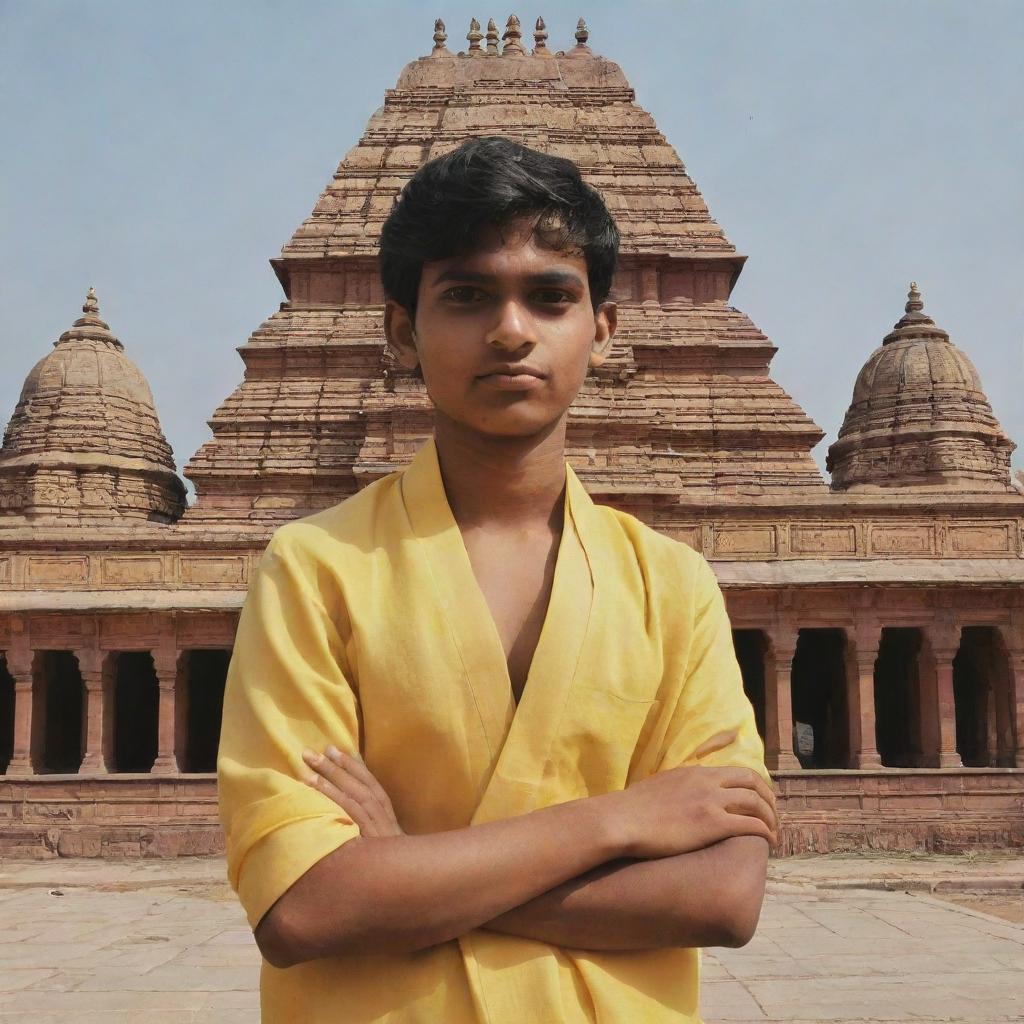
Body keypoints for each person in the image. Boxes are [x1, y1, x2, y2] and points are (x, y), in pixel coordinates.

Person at [217, 136, 779, 1024]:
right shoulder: (316, 570)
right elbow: (306, 906)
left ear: (602, 328)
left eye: (550, 296)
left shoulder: (671, 585)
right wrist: (621, 821)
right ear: (403, 329)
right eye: (468, 294)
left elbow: (721, 898)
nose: (511, 330)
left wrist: (410, 865)